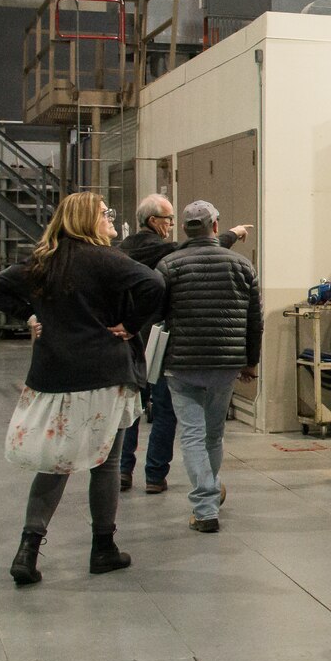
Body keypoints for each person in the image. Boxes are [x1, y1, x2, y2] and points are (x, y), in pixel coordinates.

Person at [0, 192, 165, 586]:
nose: (110, 219)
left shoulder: (42, 261)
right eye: (105, 213)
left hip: (55, 373)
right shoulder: (106, 258)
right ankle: (103, 548)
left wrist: (30, 316)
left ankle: (28, 549)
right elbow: (154, 284)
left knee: (55, 464)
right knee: (107, 463)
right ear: (86, 220)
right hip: (104, 373)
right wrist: (131, 324)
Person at [116, 194, 249, 495]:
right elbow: (193, 250)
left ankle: (123, 471)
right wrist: (233, 234)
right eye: (168, 220)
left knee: (132, 409)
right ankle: (155, 475)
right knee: (166, 412)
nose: (172, 225)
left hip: (130, 340)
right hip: (161, 343)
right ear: (153, 221)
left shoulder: (121, 250)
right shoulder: (162, 253)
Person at [158, 199, 263, 534]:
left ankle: (205, 507)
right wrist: (250, 362)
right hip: (224, 364)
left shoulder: (169, 265)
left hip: (183, 364)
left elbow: (158, 313)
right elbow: (254, 321)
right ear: (215, 226)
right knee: (214, 434)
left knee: (192, 435)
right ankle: (210, 496)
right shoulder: (242, 265)